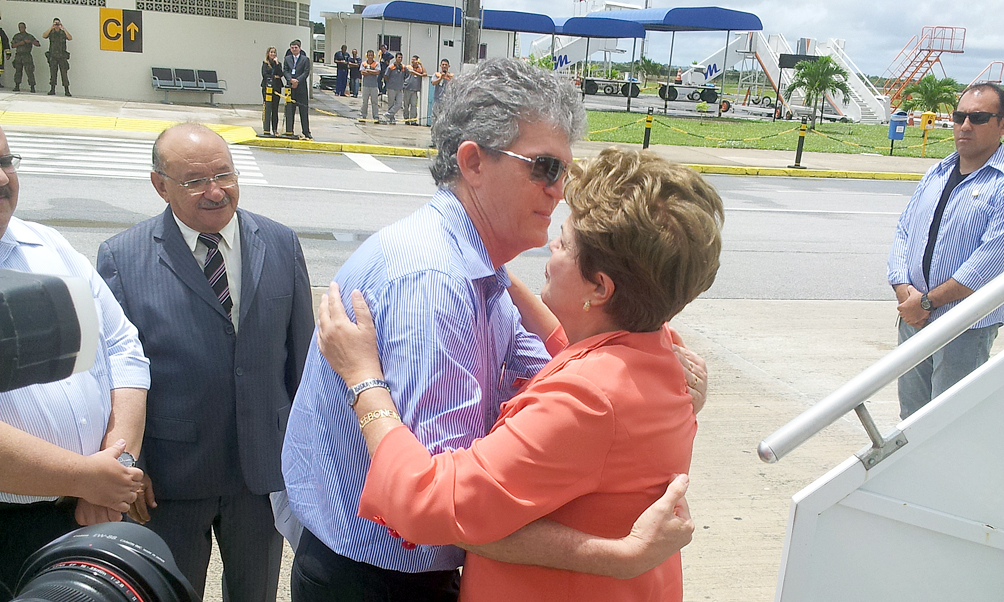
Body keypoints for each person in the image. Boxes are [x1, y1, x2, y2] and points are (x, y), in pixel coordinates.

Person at [282, 58, 706, 602]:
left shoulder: (478, 267)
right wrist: (618, 555)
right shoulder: (433, 284)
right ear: (473, 162)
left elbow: (553, 368)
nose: (558, 193)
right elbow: (435, 507)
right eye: (546, 168)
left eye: (566, 173)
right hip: (384, 579)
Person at [96, 124, 314, 602]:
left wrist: (306, 455)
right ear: (160, 185)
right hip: (172, 476)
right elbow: (115, 373)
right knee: (171, 593)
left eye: (225, 175)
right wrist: (134, 464)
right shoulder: (122, 258)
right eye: (195, 180)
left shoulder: (280, 242)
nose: (215, 191)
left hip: (263, 470)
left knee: (256, 593)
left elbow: (301, 362)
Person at [0, 125, 150, 599]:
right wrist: (86, 477)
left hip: (89, 510)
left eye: (5, 162)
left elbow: (123, 348)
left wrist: (115, 465)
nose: (3, 180)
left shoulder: (49, 247)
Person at [888, 82, 1004, 419]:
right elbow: (903, 233)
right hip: (913, 318)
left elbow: (986, 266)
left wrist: (926, 302)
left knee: (946, 420)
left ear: (1001, 124)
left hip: (964, 327)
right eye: (959, 116)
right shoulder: (936, 173)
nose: (965, 126)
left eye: (979, 118)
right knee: (910, 417)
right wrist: (905, 293)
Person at [283, 39, 312, 140]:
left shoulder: (305, 59)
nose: (294, 49)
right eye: (292, 48)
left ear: (299, 48)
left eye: (296, 47)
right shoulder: (287, 59)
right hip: (290, 88)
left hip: (301, 88)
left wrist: (297, 81)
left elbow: (306, 72)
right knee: (290, 110)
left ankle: (306, 131)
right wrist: (290, 80)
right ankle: (289, 130)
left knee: (303, 111)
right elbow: (285, 70)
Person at [42, 18, 71, 97]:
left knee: (64, 74)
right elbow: (44, 36)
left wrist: (63, 28)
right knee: (53, 74)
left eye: (58, 23)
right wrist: (51, 27)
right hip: (53, 56)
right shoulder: (51, 32)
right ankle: (52, 89)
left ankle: (67, 90)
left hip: (62, 57)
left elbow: (70, 38)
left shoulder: (63, 32)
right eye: (55, 24)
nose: (57, 25)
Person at [260, 46, 283, 137]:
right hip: (267, 87)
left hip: (277, 88)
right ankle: (266, 128)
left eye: (274, 53)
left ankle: (275, 129)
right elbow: (265, 75)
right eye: (271, 52)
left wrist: (277, 63)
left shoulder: (278, 64)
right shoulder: (265, 64)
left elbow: (281, 74)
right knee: (267, 108)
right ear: (268, 54)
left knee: (275, 109)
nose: (273, 54)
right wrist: (274, 77)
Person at [11, 23, 40, 94]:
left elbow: (38, 44)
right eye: (20, 27)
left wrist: (29, 41)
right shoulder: (16, 36)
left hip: (27, 56)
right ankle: (17, 86)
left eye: (22, 27)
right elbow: (13, 45)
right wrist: (21, 43)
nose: (21, 28)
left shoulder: (29, 36)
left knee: (29, 71)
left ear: (25, 27)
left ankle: (32, 86)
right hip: (18, 56)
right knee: (18, 71)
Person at [382, 52, 406, 125]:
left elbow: (406, 75)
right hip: (391, 88)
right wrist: (390, 82)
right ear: (396, 58)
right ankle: (391, 118)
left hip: (399, 88)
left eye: (401, 57)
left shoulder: (403, 68)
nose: (400, 59)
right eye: (399, 57)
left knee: (399, 104)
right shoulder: (391, 67)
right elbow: (386, 76)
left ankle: (388, 114)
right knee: (391, 104)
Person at [402, 55, 426, 125]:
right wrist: (420, 75)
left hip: (415, 90)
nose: (413, 61)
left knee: (414, 105)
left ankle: (413, 120)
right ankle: (406, 119)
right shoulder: (408, 67)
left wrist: (421, 64)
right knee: (406, 105)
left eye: (414, 60)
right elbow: (412, 72)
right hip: (407, 88)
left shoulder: (419, 69)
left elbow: (425, 73)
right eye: (412, 60)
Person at [358, 50, 380, 123]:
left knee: (375, 102)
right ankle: (363, 115)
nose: (370, 57)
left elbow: (377, 72)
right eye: (369, 55)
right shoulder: (363, 63)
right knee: (365, 101)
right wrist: (371, 72)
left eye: (371, 55)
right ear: (366, 56)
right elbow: (362, 72)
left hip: (374, 86)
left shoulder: (376, 64)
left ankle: (376, 116)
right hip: (365, 85)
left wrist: (368, 71)